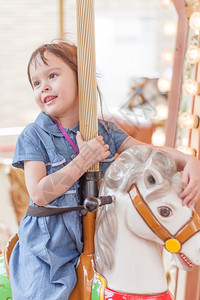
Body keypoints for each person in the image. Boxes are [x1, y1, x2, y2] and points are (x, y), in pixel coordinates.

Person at [9, 41, 200, 300]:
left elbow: (147, 151)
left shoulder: (105, 131)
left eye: (52, 75)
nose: (43, 86)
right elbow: (40, 194)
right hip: (49, 249)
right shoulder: (34, 136)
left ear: (81, 78)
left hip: (100, 239)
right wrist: (82, 161)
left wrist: (190, 161)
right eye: (36, 82)